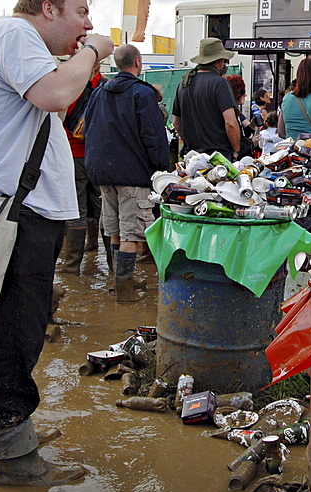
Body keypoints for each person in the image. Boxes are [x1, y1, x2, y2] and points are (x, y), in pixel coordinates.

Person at [0, 0, 114, 486]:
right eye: (80, 11)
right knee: (8, 337)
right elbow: (55, 93)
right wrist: (95, 51)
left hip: (16, 215)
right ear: (46, 9)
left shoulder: (12, 43)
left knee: (18, 330)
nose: (88, 23)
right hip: (9, 217)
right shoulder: (12, 33)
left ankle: (15, 435)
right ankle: (14, 460)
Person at [85, 44, 169, 303]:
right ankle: (124, 289)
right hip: (133, 174)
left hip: (102, 173)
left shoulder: (99, 92)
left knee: (114, 230)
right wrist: (161, 172)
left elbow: (89, 129)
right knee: (131, 232)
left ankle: (120, 280)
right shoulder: (142, 94)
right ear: (137, 63)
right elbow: (154, 137)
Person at [59, 58, 104, 274]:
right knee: (102, 206)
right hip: (99, 156)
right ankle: (113, 267)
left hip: (72, 153)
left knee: (77, 206)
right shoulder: (105, 87)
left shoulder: (69, 88)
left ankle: (72, 265)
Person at [172, 38, 240, 160]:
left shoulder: (184, 84)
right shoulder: (220, 83)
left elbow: (177, 123)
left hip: (191, 157)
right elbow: (230, 123)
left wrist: (190, 144)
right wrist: (236, 150)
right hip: (218, 158)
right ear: (219, 61)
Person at [225, 74, 254, 159]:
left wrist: (252, 125)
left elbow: (244, 132)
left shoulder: (236, 112)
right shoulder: (230, 113)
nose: (245, 95)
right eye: (243, 91)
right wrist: (251, 142)